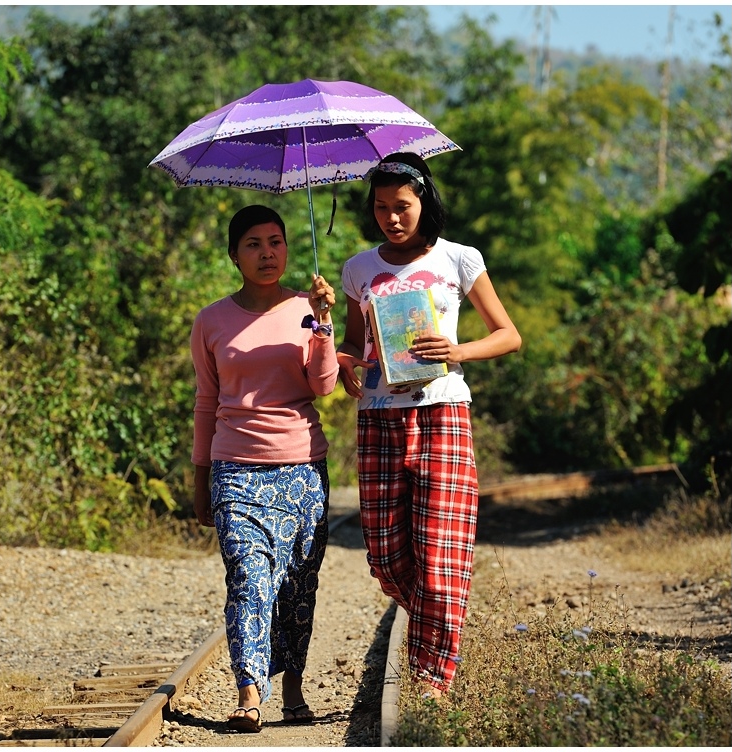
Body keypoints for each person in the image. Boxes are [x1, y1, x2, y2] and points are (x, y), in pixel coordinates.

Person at [336, 152, 521, 699]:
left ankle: (431, 680)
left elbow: (508, 334)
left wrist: (457, 348)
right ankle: (441, 615)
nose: (391, 218)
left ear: (424, 203)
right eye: (381, 208)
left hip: (443, 413)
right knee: (387, 557)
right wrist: (347, 363)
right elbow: (351, 342)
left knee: (440, 555)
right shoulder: (357, 269)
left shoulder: (459, 260)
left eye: (402, 207)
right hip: (377, 419)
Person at [190, 204, 338, 732]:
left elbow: (323, 386)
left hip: (302, 468)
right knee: (250, 580)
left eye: (275, 241)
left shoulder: (308, 307)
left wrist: (323, 326)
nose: (267, 253)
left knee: (298, 587)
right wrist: (199, 477)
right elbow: (206, 402)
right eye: (253, 243)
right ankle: (250, 691)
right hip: (235, 469)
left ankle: (293, 684)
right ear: (234, 254)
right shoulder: (211, 320)